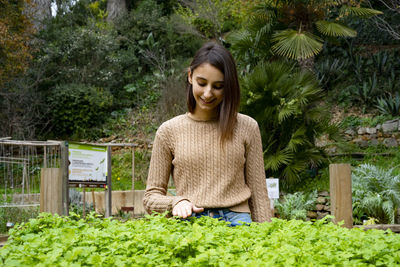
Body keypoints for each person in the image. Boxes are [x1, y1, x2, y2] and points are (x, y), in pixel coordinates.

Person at [143, 42, 272, 225]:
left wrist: (265, 241)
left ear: (228, 86)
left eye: (218, 86)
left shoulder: (247, 127)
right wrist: (176, 202)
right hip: (189, 223)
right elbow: (150, 197)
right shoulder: (168, 131)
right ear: (190, 76)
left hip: (238, 223)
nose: (208, 93)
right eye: (201, 83)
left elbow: (259, 195)